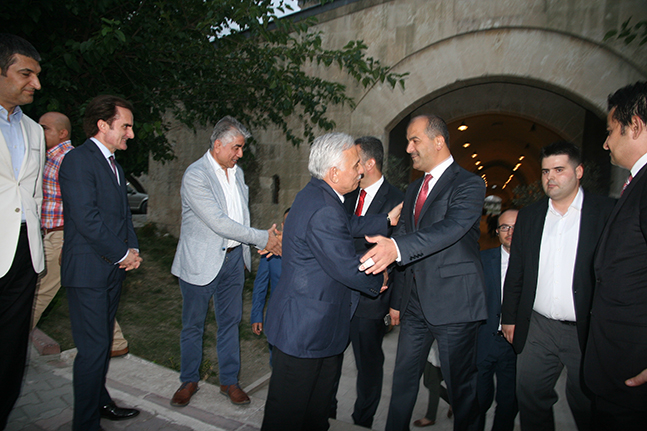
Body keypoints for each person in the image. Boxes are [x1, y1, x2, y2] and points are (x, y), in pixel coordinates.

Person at [261, 132, 402, 431]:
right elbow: (347, 268)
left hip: (315, 327)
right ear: (334, 172)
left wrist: (385, 220)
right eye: (355, 165)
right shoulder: (325, 207)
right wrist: (381, 275)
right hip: (305, 331)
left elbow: (347, 224)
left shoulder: (318, 194)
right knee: (287, 416)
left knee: (314, 412)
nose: (361, 170)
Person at [359, 114, 487, 431]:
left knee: (461, 388)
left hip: (455, 305)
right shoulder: (415, 188)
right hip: (415, 304)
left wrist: (396, 248)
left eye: (414, 140)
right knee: (402, 380)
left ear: (439, 141)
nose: (408, 148)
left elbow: (451, 228)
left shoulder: (469, 184)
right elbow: (403, 236)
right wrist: (393, 292)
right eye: (407, 141)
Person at [500, 141, 615, 431]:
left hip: (585, 330)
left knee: (586, 402)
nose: (550, 177)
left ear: (579, 172)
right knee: (530, 396)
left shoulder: (606, 213)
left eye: (559, 170)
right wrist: (509, 317)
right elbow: (517, 271)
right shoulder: (530, 216)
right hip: (538, 328)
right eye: (545, 171)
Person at [170, 116, 282, 408]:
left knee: (230, 323)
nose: (240, 154)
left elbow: (239, 216)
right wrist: (262, 238)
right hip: (199, 262)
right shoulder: (196, 175)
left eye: (242, 148)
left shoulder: (238, 173)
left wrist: (251, 244)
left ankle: (230, 381)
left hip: (233, 262)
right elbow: (219, 222)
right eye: (237, 148)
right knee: (193, 325)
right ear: (218, 145)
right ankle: (189, 380)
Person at [59, 95, 143, 431]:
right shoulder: (77, 160)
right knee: (93, 349)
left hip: (112, 271)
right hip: (88, 272)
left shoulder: (115, 166)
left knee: (102, 345)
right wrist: (123, 254)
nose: (131, 134)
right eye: (126, 126)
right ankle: (85, 423)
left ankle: (100, 401)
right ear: (102, 124)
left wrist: (132, 249)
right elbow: (87, 219)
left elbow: (123, 217)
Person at [31, 112, 131, 356]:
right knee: (92, 297)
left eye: (45, 128)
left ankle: (10, 336)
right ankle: (115, 342)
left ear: (62, 133)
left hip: (64, 236)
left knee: (38, 294)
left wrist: (68, 244)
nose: (39, 132)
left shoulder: (71, 159)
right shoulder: (52, 157)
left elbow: (87, 212)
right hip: (54, 235)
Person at [583, 81, 647, 430]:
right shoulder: (636, 183)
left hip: (632, 372)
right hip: (616, 366)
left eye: (610, 131)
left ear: (634, 125)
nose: (606, 143)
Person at [335, 136, 403, 428]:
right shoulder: (345, 193)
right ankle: (325, 412)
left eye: (355, 160)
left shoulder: (397, 201)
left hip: (371, 300)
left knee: (369, 367)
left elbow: (402, 255)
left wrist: (395, 304)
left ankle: (361, 421)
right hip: (338, 294)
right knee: (330, 360)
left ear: (369, 163)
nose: (350, 166)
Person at [0, 33, 45, 430]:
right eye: (26, 74)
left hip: (24, 254)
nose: (36, 83)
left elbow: (33, 193)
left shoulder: (35, 131)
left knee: (12, 347)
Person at [477, 209, 519, 431]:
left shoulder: (537, 262)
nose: (510, 232)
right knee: (477, 401)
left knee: (509, 404)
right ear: (497, 231)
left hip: (516, 347)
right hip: (484, 340)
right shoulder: (482, 259)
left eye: (516, 227)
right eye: (505, 227)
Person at [250, 207, 290, 363]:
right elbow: (260, 284)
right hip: (276, 319)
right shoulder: (271, 252)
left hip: (301, 322)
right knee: (276, 362)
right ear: (282, 225)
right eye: (287, 222)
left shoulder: (310, 250)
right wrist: (256, 315)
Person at [413, 340, 452, 428]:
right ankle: (453, 401)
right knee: (427, 382)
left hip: (442, 347)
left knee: (433, 383)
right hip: (430, 347)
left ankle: (430, 417)